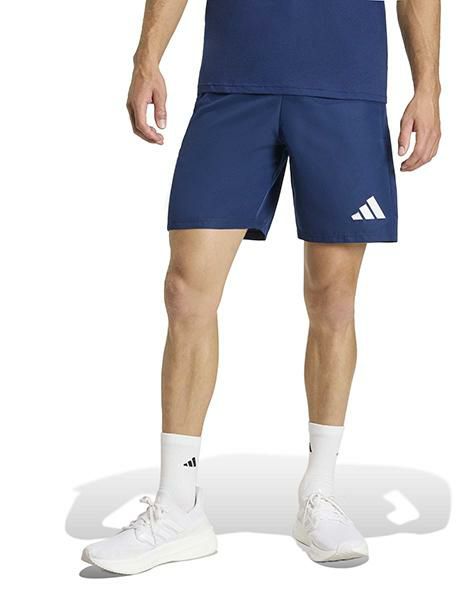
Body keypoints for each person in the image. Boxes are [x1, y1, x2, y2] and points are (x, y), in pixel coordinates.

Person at [82, 0, 441, 574]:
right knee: (186, 290)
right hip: (234, 82)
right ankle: (178, 505)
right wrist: (147, 56)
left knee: (333, 299)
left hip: (343, 85)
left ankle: (319, 494)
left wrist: (428, 87)